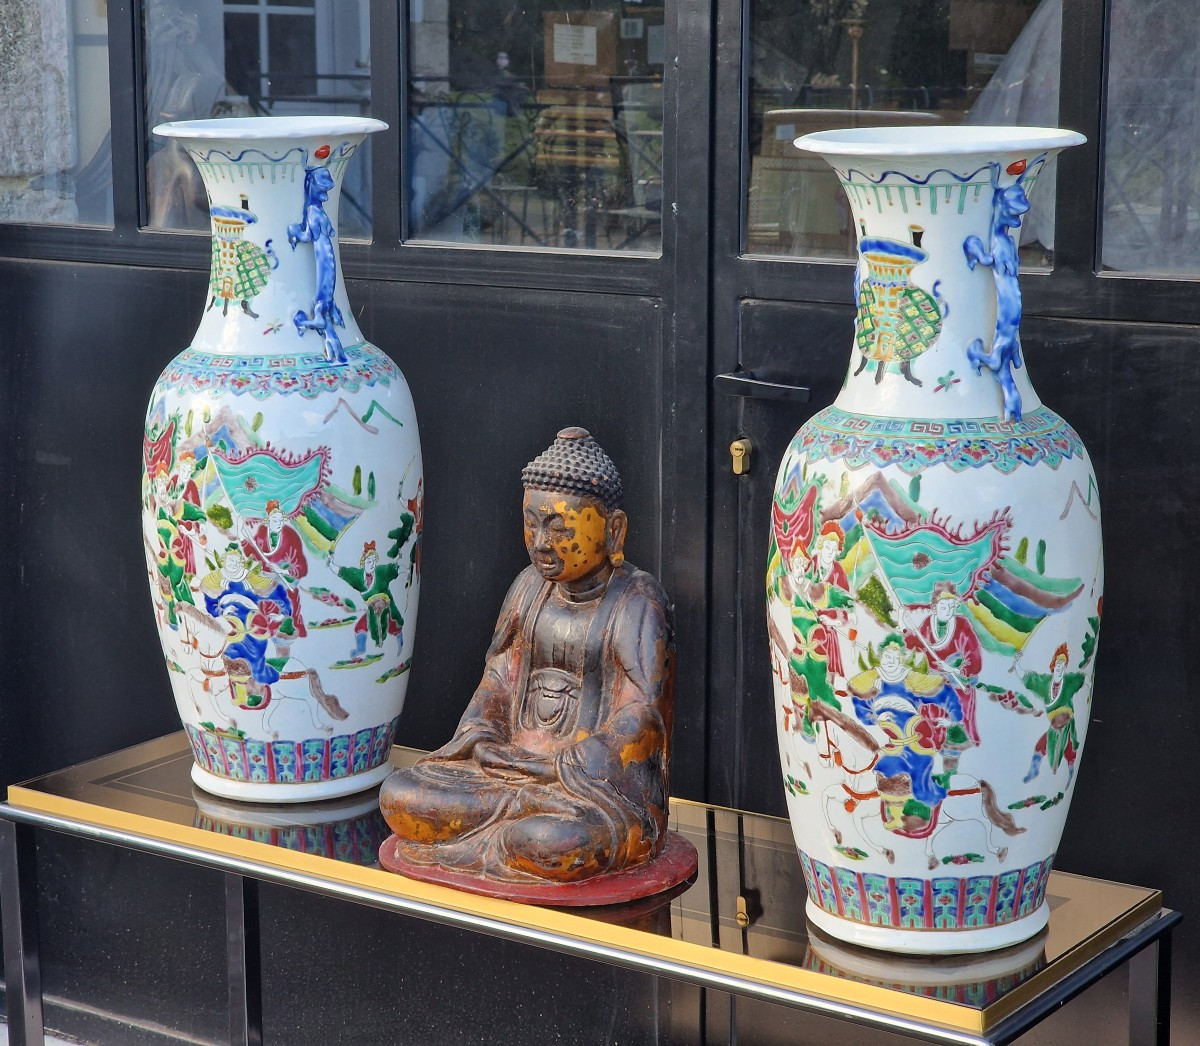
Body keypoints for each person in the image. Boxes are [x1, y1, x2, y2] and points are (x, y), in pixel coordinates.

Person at [379, 428, 676, 886]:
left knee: (553, 841)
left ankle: (507, 837)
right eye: (532, 523)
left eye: (560, 528)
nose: (541, 542)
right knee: (402, 796)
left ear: (613, 530)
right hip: (507, 773)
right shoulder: (527, 587)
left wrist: (560, 767)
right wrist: (480, 737)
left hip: (586, 790)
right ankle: (505, 833)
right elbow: (497, 677)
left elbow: (642, 717)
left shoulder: (636, 600)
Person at [904, 580, 983, 746]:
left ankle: (962, 740)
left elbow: (974, 657)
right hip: (933, 681)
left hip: (957, 681)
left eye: (951, 606)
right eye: (943, 607)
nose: (947, 611)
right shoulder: (927, 624)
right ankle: (927, 737)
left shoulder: (962, 625)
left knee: (959, 707)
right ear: (934, 607)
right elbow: (915, 644)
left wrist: (955, 669)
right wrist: (904, 628)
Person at [241, 499, 309, 638]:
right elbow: (253, 552)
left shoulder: (291, 536)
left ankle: (289, 626)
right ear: (268, 520)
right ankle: (259, 626)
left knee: (287, 597)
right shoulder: (262, 531)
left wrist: (283, 571)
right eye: (274, 520)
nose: (278, 523)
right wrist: (242, 537)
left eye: (280, 520)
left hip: (286, 578)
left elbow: (301, 567)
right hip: (266, 577)